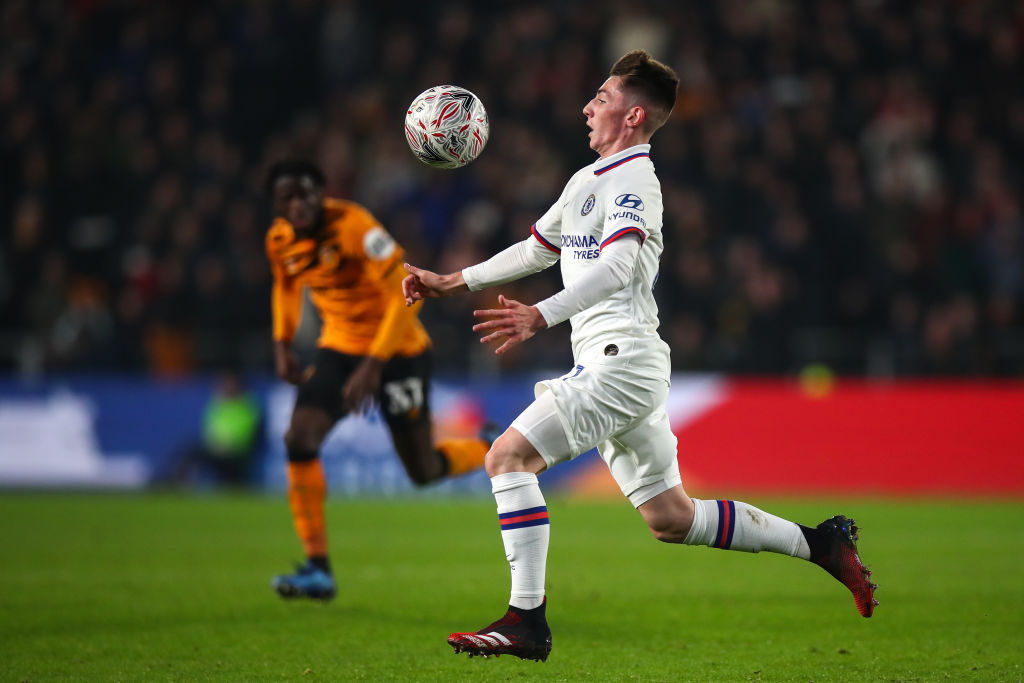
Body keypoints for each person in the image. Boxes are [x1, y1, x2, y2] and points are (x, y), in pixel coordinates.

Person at [402, 50, 877, 662]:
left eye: (599, 97)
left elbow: (619, 265)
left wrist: (540, 315)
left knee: (508, 457)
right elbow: (534, 251)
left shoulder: (636, 182)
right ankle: (823, 544)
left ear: (632, 115)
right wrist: (449, 280)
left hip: (618, 361)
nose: (586, 106)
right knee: (672, 519)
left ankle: (526, 620)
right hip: (624, 364)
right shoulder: (586, 181)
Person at [264, 160, 492, 600]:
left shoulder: (356, 227)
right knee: (299, 438)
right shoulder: (280, 240)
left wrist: (374, 365)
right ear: (277, 204)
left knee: (422, 470)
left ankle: (488, 446)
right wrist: (282, 345)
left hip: (400, 352)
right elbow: (286, 287)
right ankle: (317, 567)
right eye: (288, 198)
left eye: (307, 193)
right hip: (340, 350)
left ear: (322, 194)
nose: (299, 204)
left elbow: (407, 296)